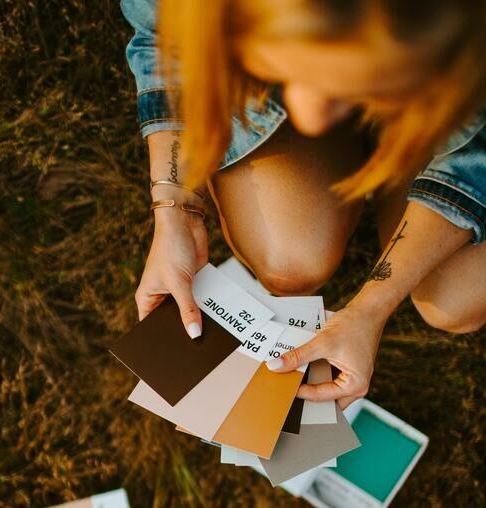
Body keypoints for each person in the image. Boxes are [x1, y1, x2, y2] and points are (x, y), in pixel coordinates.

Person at [120, 0, 486, 408]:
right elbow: (165, 40)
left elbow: (476, 160)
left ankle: (399, 140)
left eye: (350, 87)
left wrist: (370, 308)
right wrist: (174, 207)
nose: (310, 118)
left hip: (450, 105)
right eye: (289, 71)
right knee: (290, 259)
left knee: (455, 299)